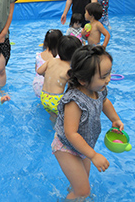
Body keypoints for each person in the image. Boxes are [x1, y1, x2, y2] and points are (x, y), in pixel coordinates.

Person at [52, 45, 125, 199]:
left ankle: (74, 192)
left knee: (82, 182)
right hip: (66, 147)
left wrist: (115, 119)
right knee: (84, 191)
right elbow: (70, 133)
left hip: (83, 146)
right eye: (104, 76)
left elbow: (104, 102)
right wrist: (93, 155)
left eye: (109, 73)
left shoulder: (98, 89)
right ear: (83, 80)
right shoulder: (74, 101)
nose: (109, 79)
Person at [37, 36, 82, 119]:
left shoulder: (51, 61)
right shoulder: (69, 70)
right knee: (63, 119)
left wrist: (48, 75)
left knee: (53, 115)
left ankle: (52, 127)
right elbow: (72, 89)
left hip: (44, 96)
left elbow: (39, 71)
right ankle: (57, 131)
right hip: (56, 100)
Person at [32, 29, 63, 98]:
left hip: (37, 85)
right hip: (49, 88)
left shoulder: (38, 55)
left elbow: (36, 70)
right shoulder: (59, 57)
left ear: (45, 42)